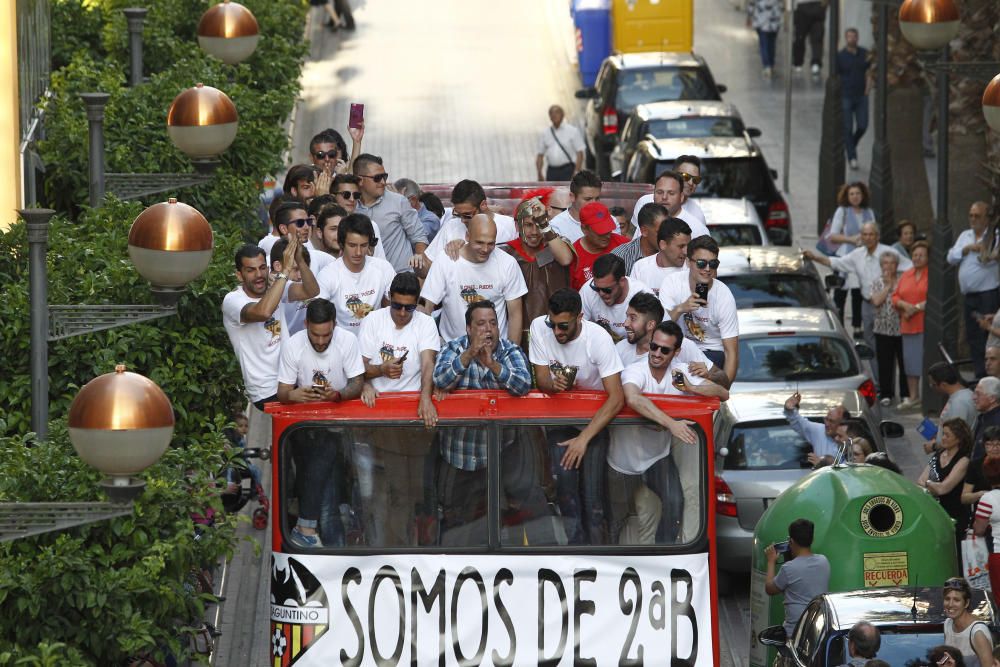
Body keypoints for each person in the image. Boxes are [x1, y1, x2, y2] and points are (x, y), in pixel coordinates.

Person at [609, 321, 727, 544]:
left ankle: (665, 555)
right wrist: (672, 424)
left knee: (675, 503)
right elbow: (632, 397)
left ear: (677, 352)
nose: (656, 353)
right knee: (615, 519)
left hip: (656, 458)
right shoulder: (635, 369)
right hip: (621, 463)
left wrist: (692, 388)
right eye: (654, 346)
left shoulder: (680, 372)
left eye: (665, 350)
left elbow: (723, 393)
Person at [529, 288, 625, 545]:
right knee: (566, 493)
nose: (557, 332)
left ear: (580, 317)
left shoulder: (598, 339)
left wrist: (584, 439)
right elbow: (541, 380)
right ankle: (575, 554)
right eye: (553, 324)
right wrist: (553, 385)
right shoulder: (540, 327)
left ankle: (598, 557)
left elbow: (616, 397)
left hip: (594, 421)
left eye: (563, 326)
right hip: (560, 419)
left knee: (594, 499)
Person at [432, 301, 533, 533]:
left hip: (498, 455)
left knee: (495, 520)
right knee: (456, 519)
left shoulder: (509, 350)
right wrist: (469, 355)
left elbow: (524, 384)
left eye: (493, 323)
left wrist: (492, 365)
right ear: (468, 329)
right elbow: (440, 380)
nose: (488, 329)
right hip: (460, 454)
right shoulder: (454, 348)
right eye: (481, 324)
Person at [276, 298, 365, 547]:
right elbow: (283, 392)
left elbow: (357, 383)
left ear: (335, 326)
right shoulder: (293, 346)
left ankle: (306, 526)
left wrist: (337, 396)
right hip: (306, 428)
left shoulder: (347, 341)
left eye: (326, 334)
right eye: (315, 335)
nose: (321, 341)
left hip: (340, 426)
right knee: (328, 502)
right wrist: (295, 395)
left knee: (329, 500)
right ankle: (311, 531)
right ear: (305, 325)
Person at [222, 240, 320, 413]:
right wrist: (284, 273)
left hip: (291, 378)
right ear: (239, 275)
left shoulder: (275, 287)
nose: (259, 274)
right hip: (265, 391)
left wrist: (299, 259)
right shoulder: (232, 301)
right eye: (250, 270)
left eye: (262, 268)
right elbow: (263, 311)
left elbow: (311, 291)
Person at [420, 214, 528, 344]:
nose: (485, 249)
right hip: (453, 347)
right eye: (480, 242)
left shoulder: (508, 264)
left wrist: (511, 351)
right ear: (467, 236)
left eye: (491, 244)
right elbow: (427, 306)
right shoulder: (446, 260)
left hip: (495, 348)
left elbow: (515, 314)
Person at [358, 272, 440, 423]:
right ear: (389, 297)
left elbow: (428, 364)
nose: (402, 313)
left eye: (409, 308)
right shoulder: (372, 320)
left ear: (417, 303)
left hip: (412, 402)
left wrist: (425, 398)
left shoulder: (426, 323)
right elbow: (357, 367)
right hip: (378, 403)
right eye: (397, 306)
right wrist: (378, 372)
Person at [659, 234, 740, 382]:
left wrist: (724, 388)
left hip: (711, 351)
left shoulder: (723, 295)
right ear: (689, 262)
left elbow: (731, 352)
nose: (708, 269)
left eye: (713, 264)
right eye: (702, 263)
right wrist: (680, 308)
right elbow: (660, 329)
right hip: (680, 348)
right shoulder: (672, 282)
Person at [502, 190, 574, 348]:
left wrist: (545, 226)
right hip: (514, 334)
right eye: (528, 225)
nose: (534, 232)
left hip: (553, 333)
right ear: (517, 225)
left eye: (538, 225)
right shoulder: (505, 253)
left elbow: (566, 259)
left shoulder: (555, 245)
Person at [315, 214, 395, 336]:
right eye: (352, 245)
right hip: (340, 343)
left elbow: (395, 305)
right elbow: (317, 314)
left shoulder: (383, 268)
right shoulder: (327, 275)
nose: (358, 252)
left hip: (376, 339)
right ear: (341, 244)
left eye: (363, 245)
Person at [352, 153, 429, 273]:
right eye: (377, 178)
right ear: (360, 180)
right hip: (367, 281)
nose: (383, 182)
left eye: (385, 176)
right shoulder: (351, 206)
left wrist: (420, 262)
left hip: (401, 278)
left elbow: (419, 237)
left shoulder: (398, 201)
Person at [948, 202, 999, 379]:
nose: (973, 219)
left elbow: (991, 258)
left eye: (977, 216)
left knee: (988, 335)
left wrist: (986, 251)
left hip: (988, 293)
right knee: (973, 337)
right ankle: (980, 375)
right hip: (969, 296)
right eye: (971, 215)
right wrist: (966, 249)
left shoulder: (995, 235)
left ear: (987, 218)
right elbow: (950, 257)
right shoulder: (965, 235)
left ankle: (992, 376)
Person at [423, 179, 517, 269]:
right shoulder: (451, 226)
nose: (463, 220)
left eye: (467, 215)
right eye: (458, 215)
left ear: (483, 205)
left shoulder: (510, 226)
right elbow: (427, 265)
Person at [764, 518, 831, 634]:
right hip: (818, 629)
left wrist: (771, 561)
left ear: (791, 542)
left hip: (795, 632)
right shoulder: (823, 561)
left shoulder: (788, 568)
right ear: (812, 539)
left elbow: (769, 589)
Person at [826, 182, 877, 332]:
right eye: (852, 194)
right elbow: (833, 236)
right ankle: (839, 326)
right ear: (847, 196)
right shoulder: (842, 211)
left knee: (858, 293)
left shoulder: (869, 212)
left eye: (858, 193)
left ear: (863, 195)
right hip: (845, 257)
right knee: (840, 293)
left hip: (863, 258)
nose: (855, 197)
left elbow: (874, 232)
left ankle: (857, 327)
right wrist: (851, 239)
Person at [919, 419, 973, 554]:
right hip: (935, 513)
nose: (942, 438)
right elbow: (919, 481)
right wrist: (930, 485)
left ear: (959, 438)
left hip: (955, 516)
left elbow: (944, 488)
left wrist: (928, 483)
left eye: (947, 435)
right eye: (943, 434)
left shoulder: (964, 460)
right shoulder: (937, 455)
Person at [893, 240, 929, 408]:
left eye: (921, 255)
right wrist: (904, 305)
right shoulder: (906, 274)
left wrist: (915, 308)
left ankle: (928, 397)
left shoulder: (932, 275)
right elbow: (895, 296)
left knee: (925, 361)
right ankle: (913, 396)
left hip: (925, 324)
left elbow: (933, 299)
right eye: (915, 255)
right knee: (909, 362)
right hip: (907, 324)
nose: (917, 258)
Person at [581, 254, 649, 342]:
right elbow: (580, 329)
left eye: (607, 290)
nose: (601, 293)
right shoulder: (588, 290)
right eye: (597, 288)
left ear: (622, 281)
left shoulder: (642, 295)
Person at [628, 169, 710, 241]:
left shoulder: (698, 230)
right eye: (660, 192)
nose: (664, 197)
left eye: (671, 193)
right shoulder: (646, 216)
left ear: (681, 197)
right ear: (653, 195)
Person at [870, 252, 907, 406]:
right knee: (885, 363)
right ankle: (886, 393)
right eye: (885, 263)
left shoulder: (904, 280)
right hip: (882, 329)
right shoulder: (876, 282)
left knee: (904, 362)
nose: (889, 266)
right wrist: (887, 287)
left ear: (897, 265)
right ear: (881, 265)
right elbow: (876, 301)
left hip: (902, 328)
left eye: (892, 263)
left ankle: (906, 393)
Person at [568, 201, 630, 291]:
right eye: (600, 231)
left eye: (608, 230)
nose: (607, 235)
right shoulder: (573, 257)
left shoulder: (624, 245)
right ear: (584, 229)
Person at [836, 28, 871, 170]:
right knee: (847, 127)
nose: (852, 39)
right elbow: (836, 76)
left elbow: (870, 71)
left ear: (858, 37)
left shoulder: (864, 53)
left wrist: (868, 89)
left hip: (861, 95)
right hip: (846, 95)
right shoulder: (840, 56)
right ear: (846, 38)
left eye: (854, 36)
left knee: (863, 125)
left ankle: (850, 145)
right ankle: (852, 157)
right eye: (849, 36)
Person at [783, 392, 849, 467]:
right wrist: (789, 409)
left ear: (843, 425)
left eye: (832, 421)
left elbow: (854, 468)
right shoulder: (819, 430)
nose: (827, 424)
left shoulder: (853, 439)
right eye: (826, 419)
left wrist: (822, 464)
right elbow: (797, 421)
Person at [629, 216, 691, 296]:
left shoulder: (693, 269)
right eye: (681, 246)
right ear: (663, 245)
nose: (686, 251)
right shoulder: (640, 267)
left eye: (688, 246)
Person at [941, 577, 993, 667]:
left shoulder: (977, 632)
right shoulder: (948, 624)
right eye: (947, 599)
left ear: (966, 603)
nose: (950, 604)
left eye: (956, 600)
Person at [550, 170, 609, 243]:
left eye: (597, 198)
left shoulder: (611, 221)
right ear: (572, 197)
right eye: (588, 199)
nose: (594, 204)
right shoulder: (556, 226)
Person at [612, 202, 671, 275]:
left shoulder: (674, 253)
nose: (665, 235)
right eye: (660, 231)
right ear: (644, 231)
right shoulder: (621, 256)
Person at [536, 104, 585, 182]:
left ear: (562, 115)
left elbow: (580, 153)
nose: (554, 115)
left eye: (557, 112)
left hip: (568, 170)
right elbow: (540, 155)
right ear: (549, 116)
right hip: (551, 171)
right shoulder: (545, 133)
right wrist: (539, 173)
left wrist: (576, 172)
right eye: (551, 113)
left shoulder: (572, 131)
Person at [961, 426, 1000, 519]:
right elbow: (964, 498)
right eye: (989, 445)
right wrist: (980, 494)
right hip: (982, 515)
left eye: (998, 444)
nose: (994, 448)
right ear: (983, 446)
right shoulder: (975, 465)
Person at [617, 292, 664, 366]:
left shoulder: (666, 355)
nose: (626, 323)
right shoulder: (620, 348)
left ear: (650, 325)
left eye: (633, 318)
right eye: (627, 317)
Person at [393, 177, 441, 243]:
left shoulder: (431, 220)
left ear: (413, 200)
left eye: (395, 201)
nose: (392, 205)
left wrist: (400, 204)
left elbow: (417, 235)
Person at [747, 0, 783, 78]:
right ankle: (771, 64)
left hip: (761, 19)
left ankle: (767, 66)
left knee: (764, 44)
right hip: (774, 20)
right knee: (771, 43)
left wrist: (749, 16)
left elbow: (751, 3)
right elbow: (781, 3)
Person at [792, 0, 826, 76]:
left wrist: (825, 3)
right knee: (799, 38)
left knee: (817, 37)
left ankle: (816, 62)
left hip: (817, 5)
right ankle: (798, 62)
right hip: (801, 6)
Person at [972, 377, 1000, 461]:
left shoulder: (997, 423)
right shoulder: (982, 417)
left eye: (978, 394)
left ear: (992, 398)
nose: (974, 397)